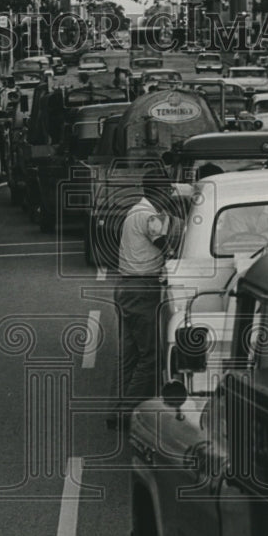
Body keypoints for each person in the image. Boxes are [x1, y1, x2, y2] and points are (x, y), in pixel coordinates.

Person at [111, 169, 175, 430]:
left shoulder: (135, 210)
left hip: (126, 287)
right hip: (142, 290)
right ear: (158, 192)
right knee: (150, 357)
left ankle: (116, 408)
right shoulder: (151, 215)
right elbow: (162, 241)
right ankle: (126, 413)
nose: (170, 194)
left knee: (130, 355)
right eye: (168, 190)